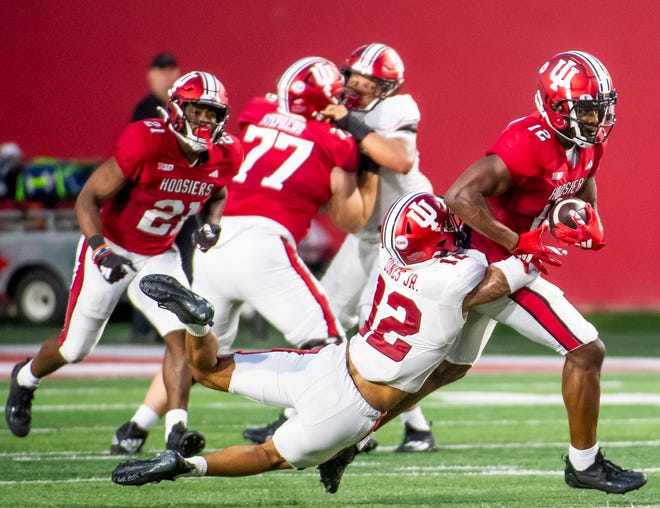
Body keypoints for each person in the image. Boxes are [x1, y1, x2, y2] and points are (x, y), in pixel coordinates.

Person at [110, 192, 521, 488]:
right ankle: (183, 465)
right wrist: (533, 242)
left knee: (206, 369)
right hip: (350, 408)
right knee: (269, 455)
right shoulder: (458, 275)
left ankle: (199, 325)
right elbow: (501, 277)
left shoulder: (388, 258)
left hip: (326, 362)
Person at [108, 56, 379, 454]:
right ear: (324, 100)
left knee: (198, 347)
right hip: (265, 243)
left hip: (216, 239)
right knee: (330, 343)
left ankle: (134, 427)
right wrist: (366, 171)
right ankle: (330, 428)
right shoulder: (336, 140)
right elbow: (349, 218)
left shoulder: (259, 111)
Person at [5, 71, 244, 460]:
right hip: (113, 246)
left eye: (212, 113)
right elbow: (88, 199)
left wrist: (211, 224)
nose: (205, 121)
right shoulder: (147, 141)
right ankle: (26, 377)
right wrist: (100, 249)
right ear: (177, 109)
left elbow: (218, 190)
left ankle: (175, 431)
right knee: (74, 348)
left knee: (181, 336)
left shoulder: (226, 153)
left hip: (159, 253)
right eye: (198, 111)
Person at [439, 50, 646, 494]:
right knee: (586, 349)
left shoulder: (589, 141)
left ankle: (351, 438)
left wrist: (587, 216)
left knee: (445, 369)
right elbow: (458, 195)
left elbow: (582, 179)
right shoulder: (526, 141)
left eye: (601, 106)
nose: (597, 118)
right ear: (554, 106)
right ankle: (585, 466)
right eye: (586, 109)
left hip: (514, 259)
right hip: (488, 260)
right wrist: (519, 243)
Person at [245, 42, 438, 453]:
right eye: (355, 80)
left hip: (406, 232)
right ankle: (297, 416)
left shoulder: (396, 108)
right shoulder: (331, 105)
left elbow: (400, 159)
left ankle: (415, 428)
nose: (360, 89)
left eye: (371, 84)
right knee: (327, 318)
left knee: (375, 324)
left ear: (389, 88)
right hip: (367, 233)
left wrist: (348, 121)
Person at [132, 52, 181, 122]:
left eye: (171, 70)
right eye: (162, 71)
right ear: (151, 75)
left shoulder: (184, 105)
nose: (167, 76)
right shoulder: (144, 110)